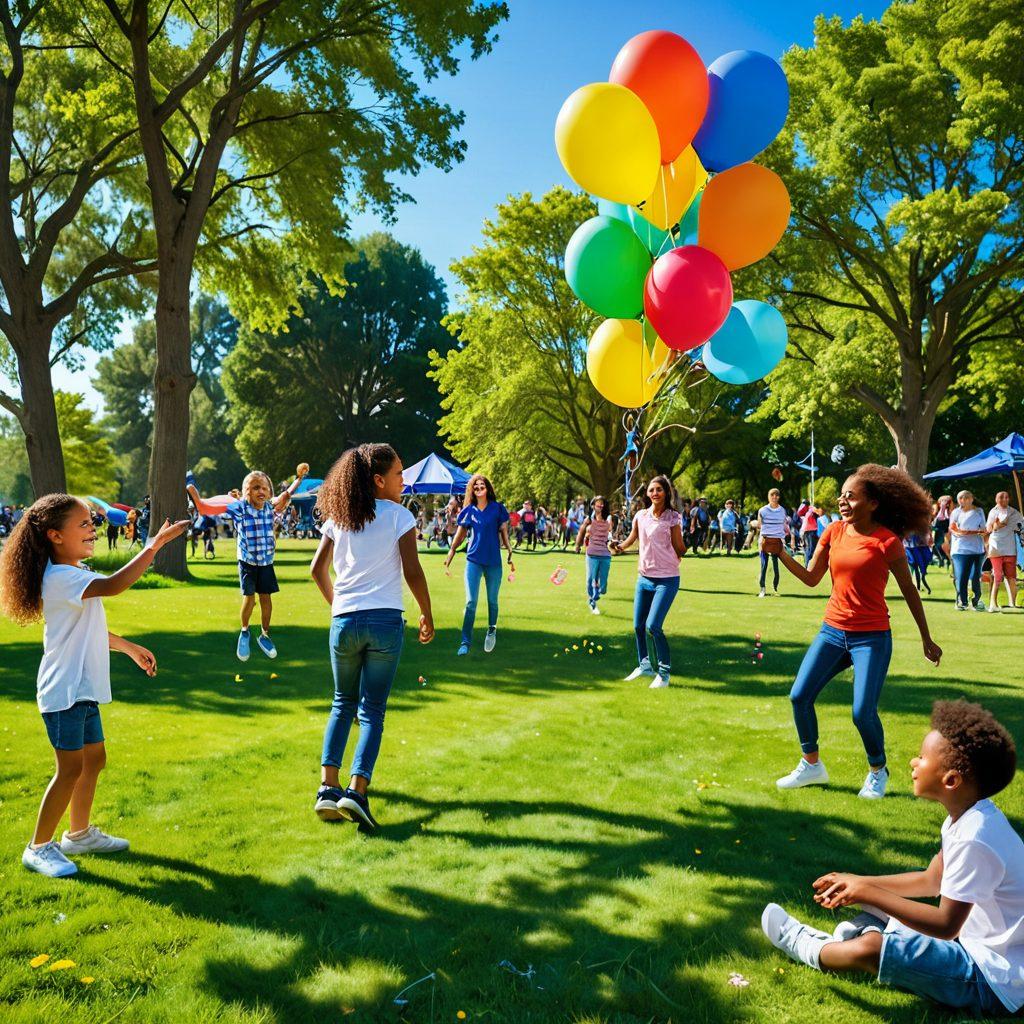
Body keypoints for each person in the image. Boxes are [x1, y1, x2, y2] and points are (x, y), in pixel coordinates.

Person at [762, 700, 1024, 1020]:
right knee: (877, 908)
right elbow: (930, 880)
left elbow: (945, 925)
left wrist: (866, 892)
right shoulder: (967, 819)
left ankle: (810, 947)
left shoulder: (976, 837)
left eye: (923, 758)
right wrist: (859, 882)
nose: (914, 762)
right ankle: (863, 933)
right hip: (973, 946)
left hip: (993, 981)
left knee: (874, 949)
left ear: (951, 780)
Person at [0, 494, 187, 877]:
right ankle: (38, 847)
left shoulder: (73, 574)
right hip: (63, 691)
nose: (93, 529)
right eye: (84, 524)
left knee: (93, 760)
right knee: (69, 769)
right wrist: (154, 546)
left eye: (92, 523)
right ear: (55, 535)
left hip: (81, 689)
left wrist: (128, 648)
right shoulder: (61, 577)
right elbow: (116, 584)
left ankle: (80, 834)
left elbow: (89, 628)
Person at [773, 465, 942, 798]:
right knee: (799, 696)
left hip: (872, 637)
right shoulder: (833, 532)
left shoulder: (887, 542)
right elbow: (811, 577)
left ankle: (878, 770)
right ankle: (812, 765)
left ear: (873, 503)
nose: (842, 501)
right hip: (832, 632)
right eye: (841, 495)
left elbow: (909, 589)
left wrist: (926, 637)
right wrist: (780, 553)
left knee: (862, 711)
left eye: (851, 496)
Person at [310, 444, 434, 830]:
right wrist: (426, 612)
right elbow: (412, 571)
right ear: (379, 481)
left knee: (341, 703)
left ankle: (327, 790)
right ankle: (356, 791)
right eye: (399, 473)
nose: (404, 480)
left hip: (344, 622)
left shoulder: (340, 518)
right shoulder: (399, 516)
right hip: (384, 622)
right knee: (372, 710)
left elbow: (317, 569)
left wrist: (338, 606)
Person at [188, 464, 308, 661]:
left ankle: (265, 634)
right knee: (250, 599)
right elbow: (212, 508)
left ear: (269, 491)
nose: (260, 491)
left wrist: (299, 478)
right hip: (248, 563)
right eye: (255, 487)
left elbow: (287, 494)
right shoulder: (240, 508)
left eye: (264, 487)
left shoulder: (270, 507)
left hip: (266, 563)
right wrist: (198, 500)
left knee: (267, 600)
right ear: (246, 492)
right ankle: (244, 631)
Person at [611, 475, 686, 689]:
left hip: (667, 579)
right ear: (647, 494)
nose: (655, 493)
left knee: (653, 626)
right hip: (644, 578)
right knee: (638, 626)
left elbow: (680, 547)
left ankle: (664, 673)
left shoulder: (673, 518)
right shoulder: (641, 516)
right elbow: (632, 538)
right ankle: (644, 666)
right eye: (652, 490)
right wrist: (619, 547)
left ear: (666, 493)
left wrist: (678, 553)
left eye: (659, 490)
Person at [445, 474, 513, 656]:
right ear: (472, 491)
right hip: (473, 561)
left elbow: (504, 532)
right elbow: (459, 535)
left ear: (487, 488)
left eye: (482, 485)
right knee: (470, 603)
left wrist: (509, 551)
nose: (479, 488)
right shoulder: (468, 511)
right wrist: (451, 552)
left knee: (492, 601)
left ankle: (491, 630)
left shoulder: (498, 509)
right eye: (476, 487)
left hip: (493, 562)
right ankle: (465, 642)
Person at [949, 489, 987, 611]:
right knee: (962, 576)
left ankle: (976, 601)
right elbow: (952, 528)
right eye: (961, 498)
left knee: (976, 576)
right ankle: (962, 601)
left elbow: (983, 529)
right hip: (960, 550)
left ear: (971, 499)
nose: (963, 500)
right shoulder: (955, 512)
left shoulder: (979, 511)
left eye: (966, 497)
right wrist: (959, 532)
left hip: (977, 550)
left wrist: (977, 533)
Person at [575, 495, 613, 614]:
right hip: (592, 554)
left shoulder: (608, 518)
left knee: (603, 586)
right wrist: (577, 545)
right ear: (593, 505)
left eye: (602, 503)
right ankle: (592, 600)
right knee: (590, 579)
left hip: (605, 555)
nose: (600, 505)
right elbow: (581, 531)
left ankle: (599, 589)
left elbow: (611, 533)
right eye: (598, 503)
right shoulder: (589, 519)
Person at [756, 488, 788, 596]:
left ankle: (775, 589)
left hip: (777, 541)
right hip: (765, 540)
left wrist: (785, 539)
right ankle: (762, 589)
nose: (774, 497)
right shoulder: (762, 510)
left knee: (776, 568)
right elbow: (760, 526)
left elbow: (783, 526)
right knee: (764, 566)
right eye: (772, 495)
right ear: (768, 496)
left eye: (776, 495)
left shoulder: (782, 510)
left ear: (779, 497)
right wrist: (760, 541)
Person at [904, 526, 934, 594]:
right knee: (914, 568)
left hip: (916, 549)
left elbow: (928, 541)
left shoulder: (918, 528)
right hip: (909, 549)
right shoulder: (907, 528)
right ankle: (917, 587)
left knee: (917, 569)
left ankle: (918, 587)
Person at [932, 494, 953, 568]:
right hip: (938, 530)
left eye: (945, 501)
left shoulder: (951, 512)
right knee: (935, 546)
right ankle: (942, 558)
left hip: (947, 531)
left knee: (947, 547)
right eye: (941, 501)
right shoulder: (936, 511)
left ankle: (948, 561)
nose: (943, 503)